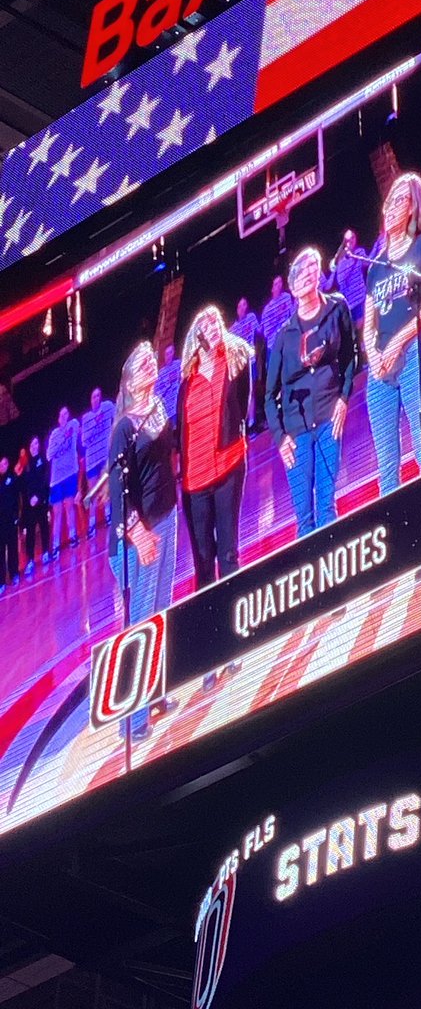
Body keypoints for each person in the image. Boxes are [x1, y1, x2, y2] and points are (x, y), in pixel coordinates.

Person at [177, 305, 251, 690]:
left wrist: (238, 442)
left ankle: (234, 642)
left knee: (228, 554)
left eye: (215, 321)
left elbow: (243, 403)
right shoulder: (185, 380)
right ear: (196, 334)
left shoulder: (235, 361)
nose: (211, 326)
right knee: (203, 564)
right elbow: (179, 434)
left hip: (228, 467)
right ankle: (210, 650)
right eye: (203, 323)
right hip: (193, 482)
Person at [108, 341, 177, 742]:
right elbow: (119, 494)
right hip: (140, 535)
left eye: (153, 360)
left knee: (160, 611)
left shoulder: (159, 408)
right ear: (129, 382)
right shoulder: (123, 428)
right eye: (142, 364)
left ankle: (155, 695)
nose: (151, 365)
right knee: (140, 623)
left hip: (168, 520)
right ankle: (131, 721)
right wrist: (139, 534)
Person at [265, 247, 357, 538]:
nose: (307, 275)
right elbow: (269, 396)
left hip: (330, 420)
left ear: (319, 272)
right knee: (304, 516)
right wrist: (281, 439)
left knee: (327, 506)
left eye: (312, 267)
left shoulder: (337, 308)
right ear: (291, 287)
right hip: (297, 432)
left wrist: (343, 398)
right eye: (300, 271)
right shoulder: (284, 336)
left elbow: (350, 356)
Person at [363, 172, 421, 496]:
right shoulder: (375, 266)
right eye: (389, 201)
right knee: (387, 466)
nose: (392, 207)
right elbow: (368, 324)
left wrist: (398, 342)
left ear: (413, 207)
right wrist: (373, 358)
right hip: (381, 371)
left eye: (401, 200)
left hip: (415, 354)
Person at [80, 386, 115, 537]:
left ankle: (108, 515)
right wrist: (96, 423)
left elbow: (118, 415)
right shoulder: (86, 418)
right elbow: (84, 441)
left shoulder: (108, 407)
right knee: (93, 491)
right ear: (90, 399)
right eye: (94, 396)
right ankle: (92, 524)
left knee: (106, 487)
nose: (97, 398)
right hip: (92, 460)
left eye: (99, 395)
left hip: (104, 456)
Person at [323, 229, 368, 347]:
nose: (351, 241)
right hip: (348, 302)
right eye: (348, 239)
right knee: (351, 334)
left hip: (360, 298)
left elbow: (368, 263)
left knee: (363, 328)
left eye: (353, 237)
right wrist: (351, 259)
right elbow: (341, 278)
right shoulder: (340, 260)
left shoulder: (360, 251)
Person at [46, 405, 80, 556]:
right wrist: (61, 439)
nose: (65, 416)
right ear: (58, 418)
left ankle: (73, 536)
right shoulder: (54, 434)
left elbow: (78, 428)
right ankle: (56, 544)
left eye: (66, 413)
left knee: (70, 507)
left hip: (70, 474)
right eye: (62, 414)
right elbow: (48, 455)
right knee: (57, 511)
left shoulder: (73, 425)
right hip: (57, 479)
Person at [230, 298, 262, 432]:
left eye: (245, 304)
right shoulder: (233, 329)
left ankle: (252, 421)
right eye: (240, 305)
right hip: (240, 366)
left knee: (252, 391)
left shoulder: (251, 318)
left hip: (251, 360)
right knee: (241, 395)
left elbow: (260, 330)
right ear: (237, 309)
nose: (243, 307)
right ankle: (242, 423)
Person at [21, 436, 50, 574]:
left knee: (44, 526)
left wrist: (38, 496)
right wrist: (30, 499)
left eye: (36, 443)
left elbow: (44, 479)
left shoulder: (42, 460)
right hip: (30, 505)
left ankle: (45, 552)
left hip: (41, 500)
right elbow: (25, 486)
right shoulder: (26, 465)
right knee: (31, 533)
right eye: (32, 443)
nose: (34, 446)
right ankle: (30, 560)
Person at [260, 276, 293, 360]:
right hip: (273, 345)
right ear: (272, 289)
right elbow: (266, 332)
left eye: (280, 282)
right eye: (276, 284)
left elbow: (292, 314)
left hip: (286, 340)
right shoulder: (267, 309)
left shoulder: (286, 297)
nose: (279, 285)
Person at [0, 455, 20, 593]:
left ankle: (14, 574)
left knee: (12, 548)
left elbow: (17, 499)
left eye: (5, 463)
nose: (3, 466)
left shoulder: (12, 478)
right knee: (1, 552)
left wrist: (16, 517)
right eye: (0, 464)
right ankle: (1, 581)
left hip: (10, 520)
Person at [155, 343, 182, 426]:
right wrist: (167, 382)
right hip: (167, 409)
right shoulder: (161, 372)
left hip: (179, 404)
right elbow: (156, 391)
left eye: (170, 353)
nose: (169, 356)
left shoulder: (179, 364)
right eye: (167, 354)